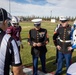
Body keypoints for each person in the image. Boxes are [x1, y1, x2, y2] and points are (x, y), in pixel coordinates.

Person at [0, 8, 23, 75]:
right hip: (12, 45)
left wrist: (20, 43)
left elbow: (19, 35)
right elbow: (17, 71)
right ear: (5, 22)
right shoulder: (9, 39)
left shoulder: (19, 28)